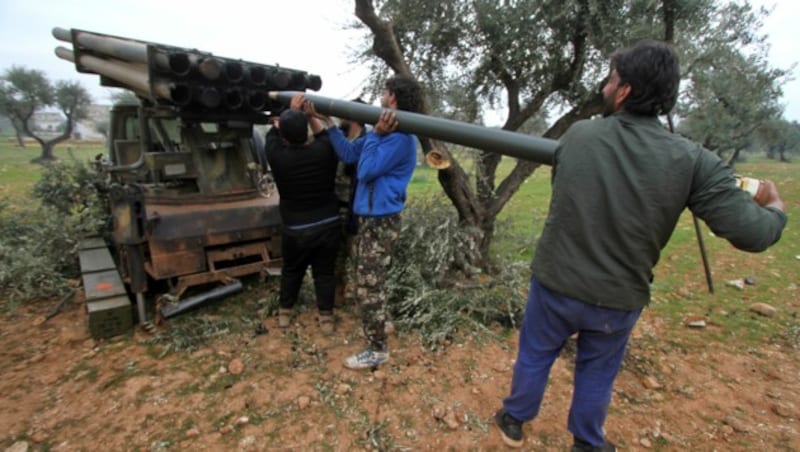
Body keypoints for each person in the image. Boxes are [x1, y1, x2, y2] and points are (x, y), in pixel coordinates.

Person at [493, 40, 787, 450]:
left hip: (555, 283)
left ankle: (513, 421)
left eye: (611, 80)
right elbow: (753, 233)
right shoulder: (694, 161)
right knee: (597, 371)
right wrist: (775, 208)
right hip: (617, 297)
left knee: (535, 354)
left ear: (626, 90)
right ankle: (586, 443)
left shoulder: (579, 135)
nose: (604, 88)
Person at [306, 74, 423, 369]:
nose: (381, 96)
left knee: (367, 286)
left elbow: (367, 171)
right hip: (371, 219)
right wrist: (329, 123)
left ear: (393, 98)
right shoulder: (383, 133)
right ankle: (382, 324)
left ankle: (377, 349)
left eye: (385, 92)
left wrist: (376, 136)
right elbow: (348, 153)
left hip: (381, 220)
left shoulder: (398, 138)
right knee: (373, 278)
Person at [264, 94, 341, 335]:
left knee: (292, 270)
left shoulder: (278, 156)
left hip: (296, 229)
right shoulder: (324, 152)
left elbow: (273, 134)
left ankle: (285, 313)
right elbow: (324, 136)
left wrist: (290, 112)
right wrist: (309, 116)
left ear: (285, 135)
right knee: (324, 272)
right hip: (328, 224)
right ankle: (326, 317)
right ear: (305, 129)